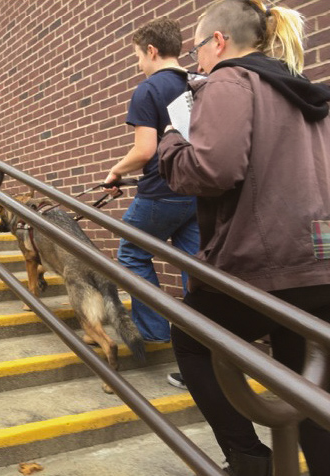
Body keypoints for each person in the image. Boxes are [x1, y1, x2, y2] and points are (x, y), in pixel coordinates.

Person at [157, 1, 330, 474]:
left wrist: (171, 139)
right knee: (308, 394)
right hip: (318, 261)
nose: (195, 62)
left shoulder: (230, 80)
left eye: (196, 49)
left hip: (261, 263)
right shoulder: (306, 93)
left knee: (191, 337)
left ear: (218, 41)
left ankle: (248, 457)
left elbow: (214, 168)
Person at [104, 19, 199, 351]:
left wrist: (115, 171)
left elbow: (145, 150)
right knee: (195, 267)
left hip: (162, 191)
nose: (139, 63)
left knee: (131, 255)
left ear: (152, 50)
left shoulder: (149, 89)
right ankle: (199, 343)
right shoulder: (197, 83)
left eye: (138, 56)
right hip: (198, 191)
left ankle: (156, 333)